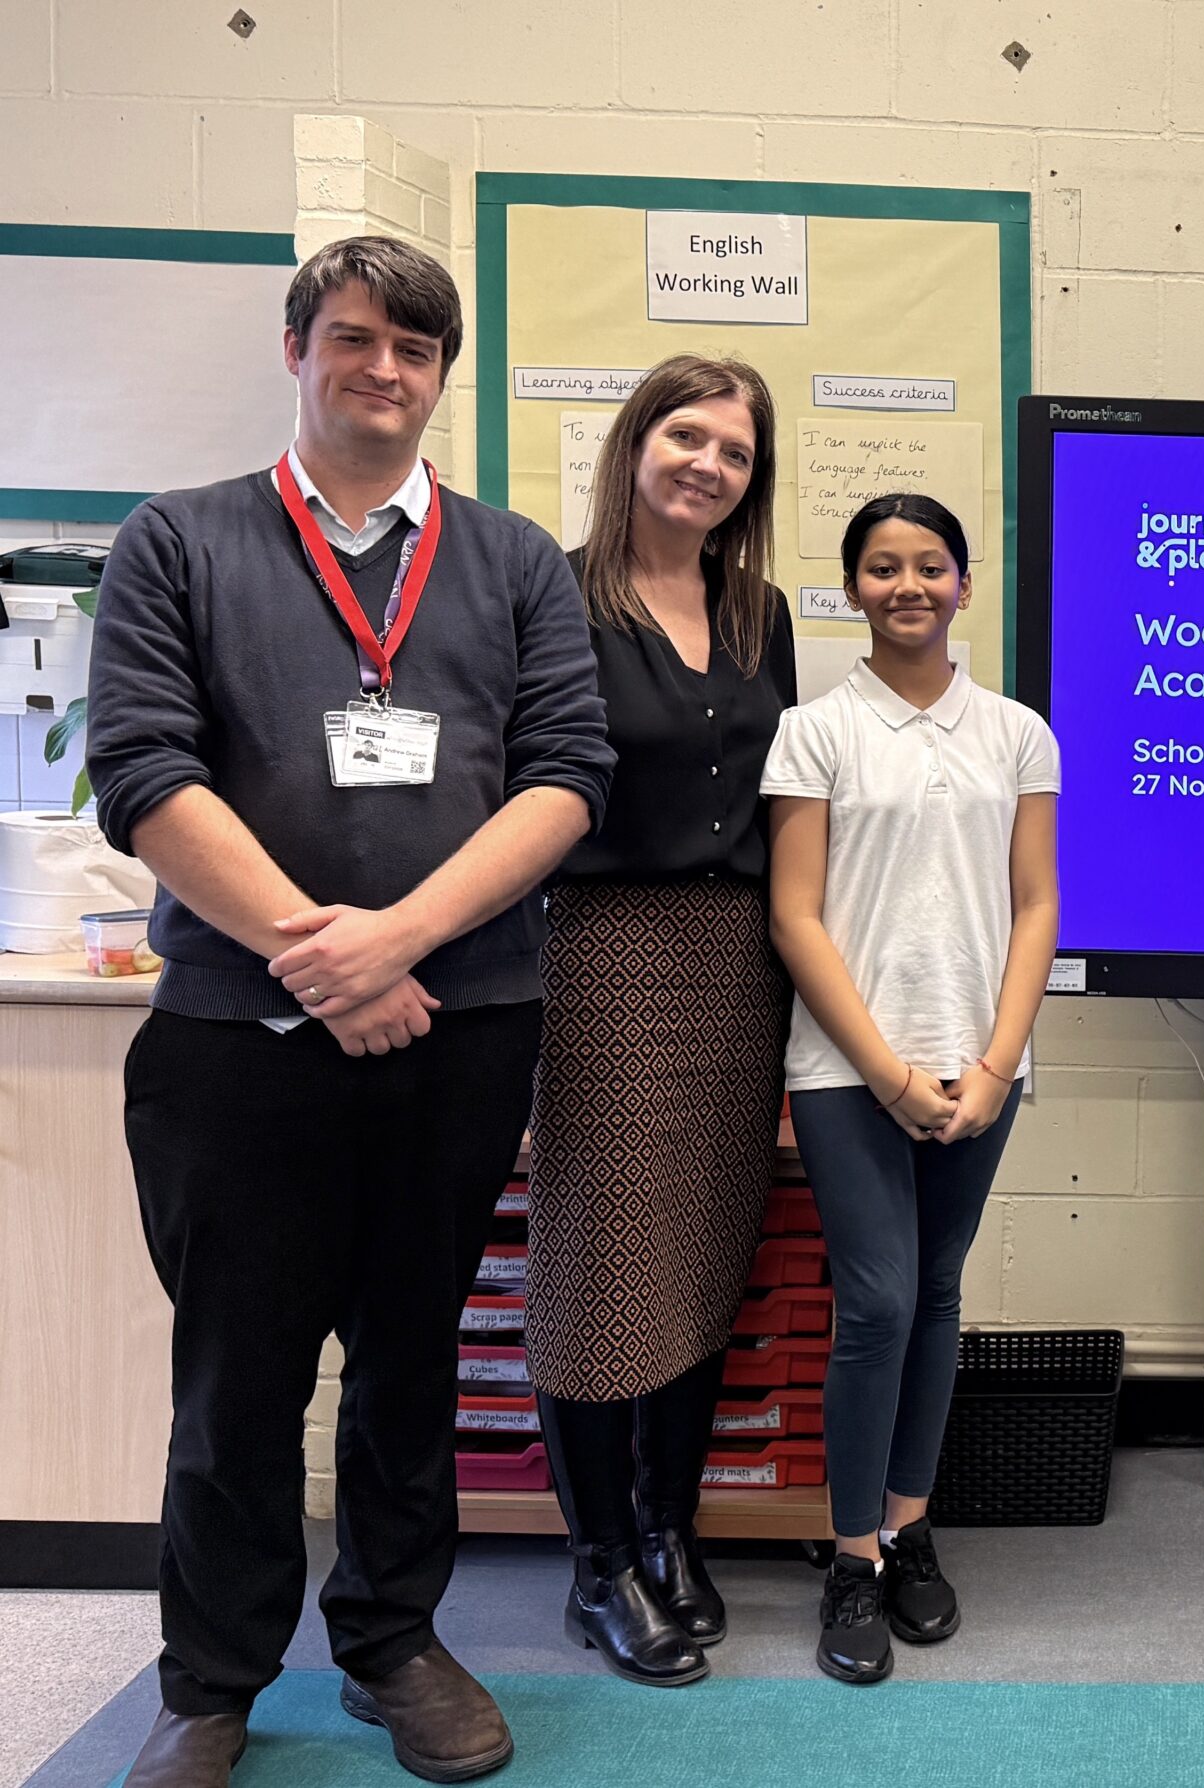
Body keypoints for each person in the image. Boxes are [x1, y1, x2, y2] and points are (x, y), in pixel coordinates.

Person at [84, 236, 612, 1788]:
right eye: (355, 338)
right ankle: (213, 1679)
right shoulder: (176, 542)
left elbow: (567, 775)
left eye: (415, 348)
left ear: (443, 374)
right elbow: (141, 773)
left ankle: (390, 1643)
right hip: (232, 1042)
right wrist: (318, 958)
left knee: (410, 1356)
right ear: (299, 348)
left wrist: (398, 948)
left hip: (462, 1029)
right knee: (237, 1373)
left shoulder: (512, 562)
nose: (384, 369)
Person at [522, 355, 797, 1686]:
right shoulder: (553, 595)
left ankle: (669, 1527)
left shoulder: (764, 614)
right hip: (603, 951)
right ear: (636, 440)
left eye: (734, 451)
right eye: (685, 434)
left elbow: (787, 808)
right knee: (595, 1263)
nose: (706, 463)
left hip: (739, 967)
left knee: (698, 1256)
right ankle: (599, 1566)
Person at [761, 493, 1060, 1685]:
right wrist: (887, 1073)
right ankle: (849, 1558)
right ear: (851, 591)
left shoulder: (1020, 734)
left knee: (936, 1295)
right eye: (882, 569)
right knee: (877, 1303)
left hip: (982, 1067)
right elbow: (792, 914)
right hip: (847, 1068)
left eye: (929, 566)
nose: (908, 587)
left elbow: (1035, 906)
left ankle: (909, 1522)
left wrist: (992, 1066)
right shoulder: (814, 732)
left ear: (964, 585)